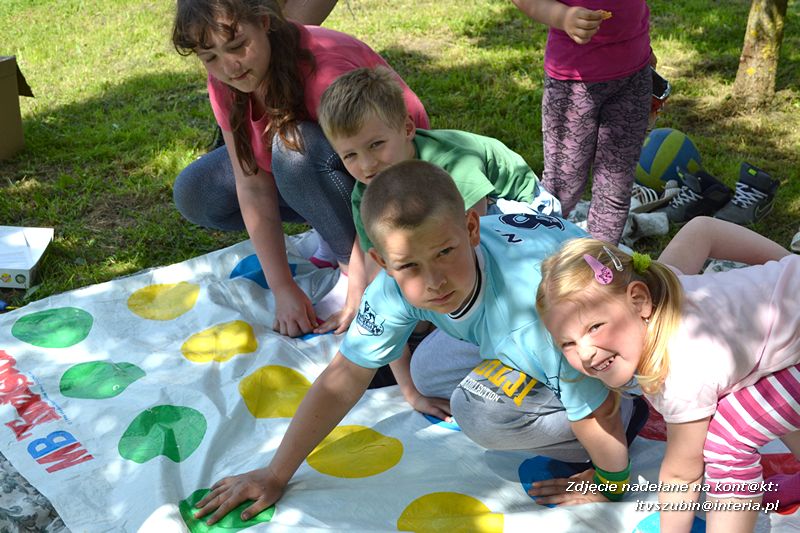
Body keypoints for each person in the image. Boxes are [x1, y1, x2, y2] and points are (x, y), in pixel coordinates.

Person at [192, 161, 644, 525]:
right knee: (427, 372)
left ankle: (634, 410)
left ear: (471, 227)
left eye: (444, 253)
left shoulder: (534, 318)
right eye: (408, 266)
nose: (433, 283)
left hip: (586, 325)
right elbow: (344, 376)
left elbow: (596, 409)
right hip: (519, 316)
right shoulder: (396, 287)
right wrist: (275, 473)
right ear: (381, 262)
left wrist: (609, 481)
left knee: (477, 409)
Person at [171, 0, 429, 338]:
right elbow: (251, 184)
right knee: (195, 192)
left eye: (237, 46)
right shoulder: (226, 81)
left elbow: (384, 174)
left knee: (293, 147)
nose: (229, 66)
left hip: (398, 179)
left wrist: (362, 283)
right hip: (325, 170)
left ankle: (350, 262)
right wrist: (282, 287)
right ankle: (331, 229)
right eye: (211, 58)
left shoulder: (324, 72)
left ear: (264, 21)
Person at [317, 66, 561, 417]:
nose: (367, 165)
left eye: (376, 145)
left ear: (406, 128)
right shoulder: (367, 195)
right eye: (350, 155)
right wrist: (410, 391)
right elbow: (382, 288)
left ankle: (531, 350)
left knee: (467, 292)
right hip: (469, 235)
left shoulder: (453, 167)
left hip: (520, 216)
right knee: (421, 290)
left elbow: (479, 247)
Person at [535, 216, 799, 531]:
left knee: (728, 438)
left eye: (595, 327)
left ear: (639, 301)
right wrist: (788, 268)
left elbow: (682, 474)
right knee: (757, 392)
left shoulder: (682, 368)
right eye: (568, 342)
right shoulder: (662, 281)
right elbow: (703, 228)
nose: (586, 352)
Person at [510, 0, 655, 245]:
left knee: (615, 187)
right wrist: (562, 16)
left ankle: (601, 267)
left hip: (634, 75)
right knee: (562, 187)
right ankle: (539, 255)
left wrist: (644, 47)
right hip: (573, 83)